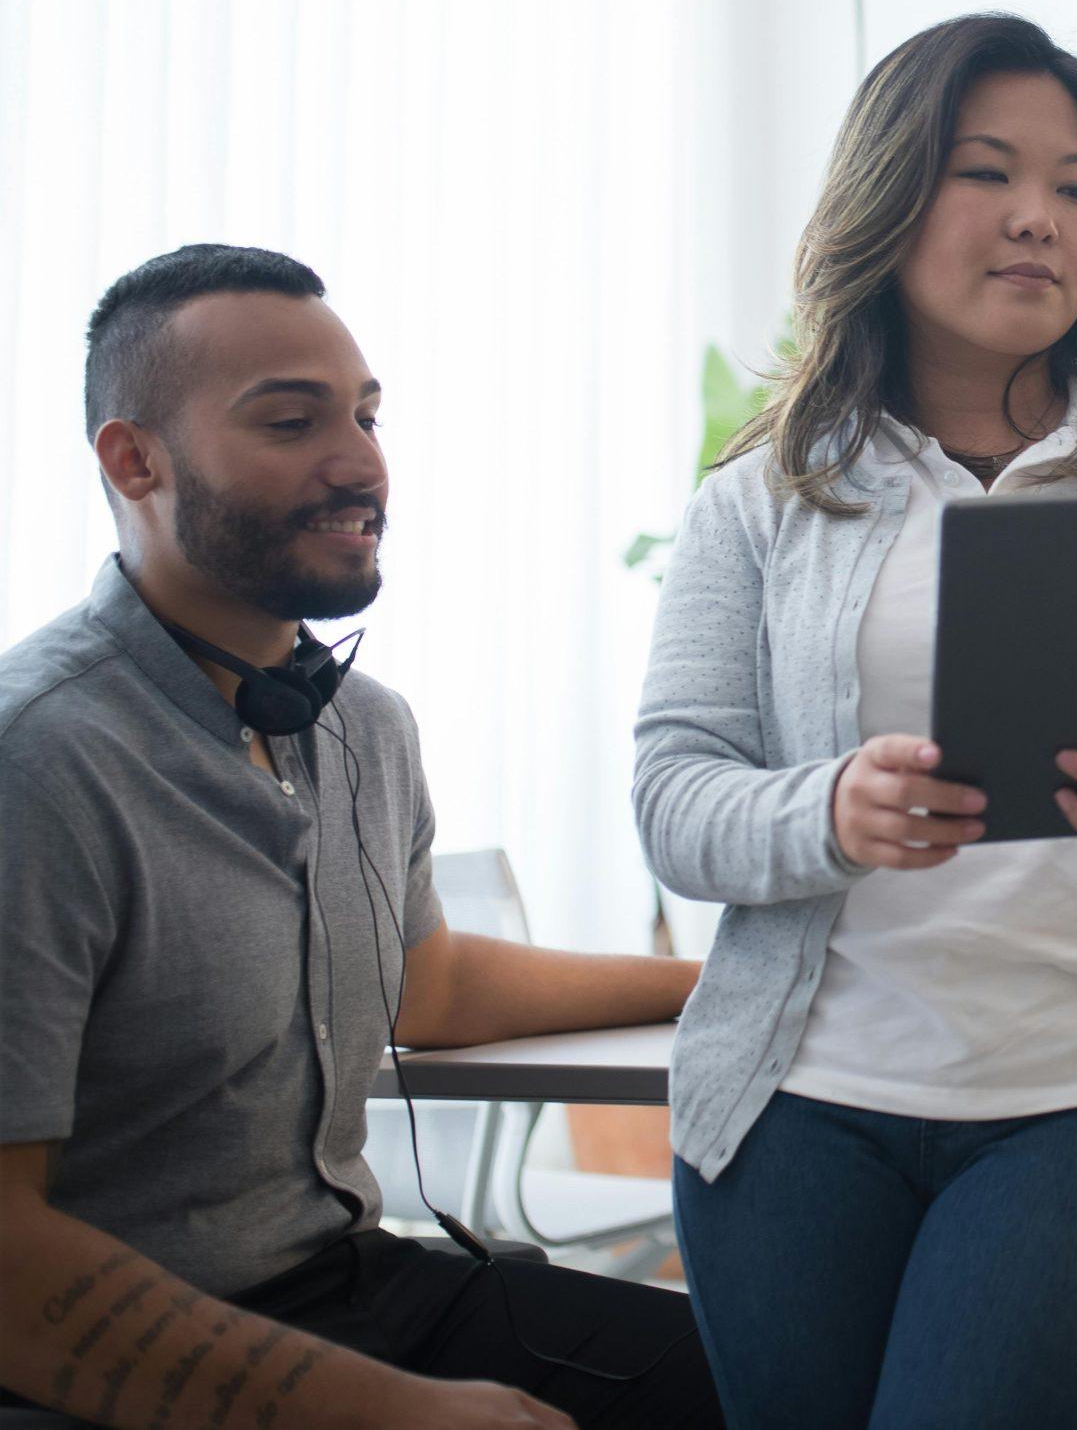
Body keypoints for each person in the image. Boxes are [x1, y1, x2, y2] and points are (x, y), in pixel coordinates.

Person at [634, 13, 1077, 1429]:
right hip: (791, 1108)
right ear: (889, 202)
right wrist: (827, 811)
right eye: (988, 173)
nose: (1038, 219)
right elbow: (673, 795)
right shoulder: (760, 496)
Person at [0, 245, 723, 1429]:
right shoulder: (37, 759)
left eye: (368, 415)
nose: (361, 464)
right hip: (110, 1351)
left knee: (789, 1378)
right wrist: (387, 1408)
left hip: (351, 1281)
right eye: (291, 423)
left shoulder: (358, 726)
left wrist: (719, 982)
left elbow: (425, 981)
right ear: (134, 460)